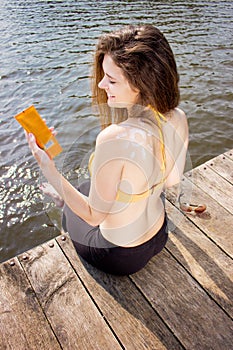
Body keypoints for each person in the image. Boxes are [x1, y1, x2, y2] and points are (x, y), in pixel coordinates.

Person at [27, 25, 189, 275]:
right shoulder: (178, 117)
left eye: (111, 80)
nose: (102, 84)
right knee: (86, 187)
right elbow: (173, 180)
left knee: (75, 204)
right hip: (159, 234)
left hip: (120, 255)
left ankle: (63, 211)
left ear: (142, 85)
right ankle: (67, 200)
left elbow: (93, 217)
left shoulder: (113, 138)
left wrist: (47, 167)